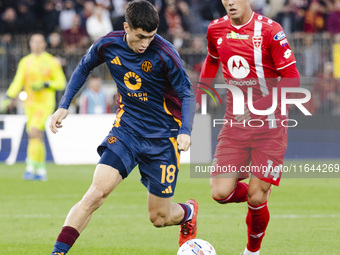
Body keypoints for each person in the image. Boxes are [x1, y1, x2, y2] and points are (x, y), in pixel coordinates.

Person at [48, 1, 197, 254]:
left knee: (159, 218)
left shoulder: (165, 52)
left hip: (163, 139)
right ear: (126, 27)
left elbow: (187, 93)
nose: (145, 43)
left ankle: (189, 211)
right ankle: (58, 252)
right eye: (140, 36)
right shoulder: (109, 44)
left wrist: (185, 131)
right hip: (126, 130)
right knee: (95, 194)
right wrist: (64, 104)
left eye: (150, 37)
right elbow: (84, 67)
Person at [196, 0, 300, 254]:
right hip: (235, 126)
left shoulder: (270, 31)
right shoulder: (215, 29)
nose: (229, 2)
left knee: (255, 197)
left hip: (271, 127)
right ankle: (260, 191)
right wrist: (202, 94)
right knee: (220, 192)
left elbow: (292, 79)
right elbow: (211, 60)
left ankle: (252, 250)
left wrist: (257, 107)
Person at [1, 33, 66, 181]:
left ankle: (30, 167)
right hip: (29, 103)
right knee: (35, 136)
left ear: (44, 44)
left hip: (44, 103)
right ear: (30, 44)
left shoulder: (51, 61)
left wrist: (46, 84)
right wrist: (9, 96)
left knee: (34, 131)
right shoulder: (25, 62)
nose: (36, 44)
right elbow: (18, 81)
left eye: (39, 42)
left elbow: (61, 82)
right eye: (33, 41)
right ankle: (41, 170)